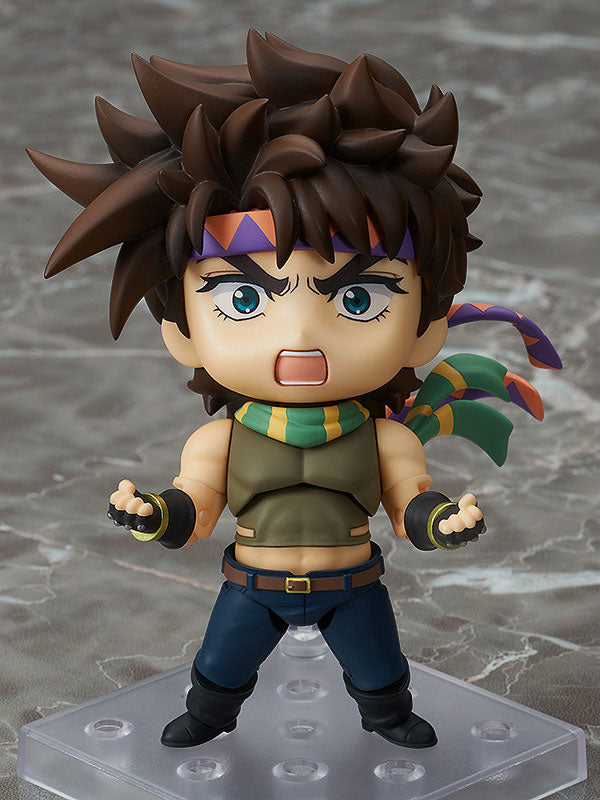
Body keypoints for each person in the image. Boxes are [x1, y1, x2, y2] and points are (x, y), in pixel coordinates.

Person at [27, 30, 559, 750]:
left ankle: (387, 717)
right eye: (244, 299)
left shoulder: (385, 437)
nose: (302, 336)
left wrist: (444, 523)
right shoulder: (220, 438)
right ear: (182, 332)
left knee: (380, 674)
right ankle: (210, 716)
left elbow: (411, 506)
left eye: (360, 299)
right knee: (218, 671)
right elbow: (194, 509)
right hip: (252, 585)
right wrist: (153, 514)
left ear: (425, 330)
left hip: (354, 585)